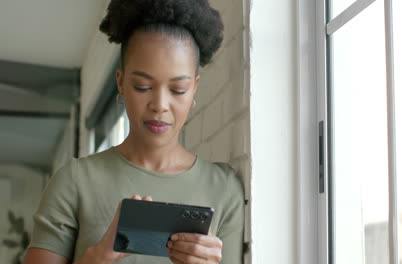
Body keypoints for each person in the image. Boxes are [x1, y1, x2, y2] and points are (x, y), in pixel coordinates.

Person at [23, 0, 245, 263]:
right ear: (120, 82)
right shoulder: (74, 182)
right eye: (142, 86)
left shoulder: (224, 188)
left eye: (177, 90)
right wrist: (96, 259)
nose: (160, 106)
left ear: (194, 89)